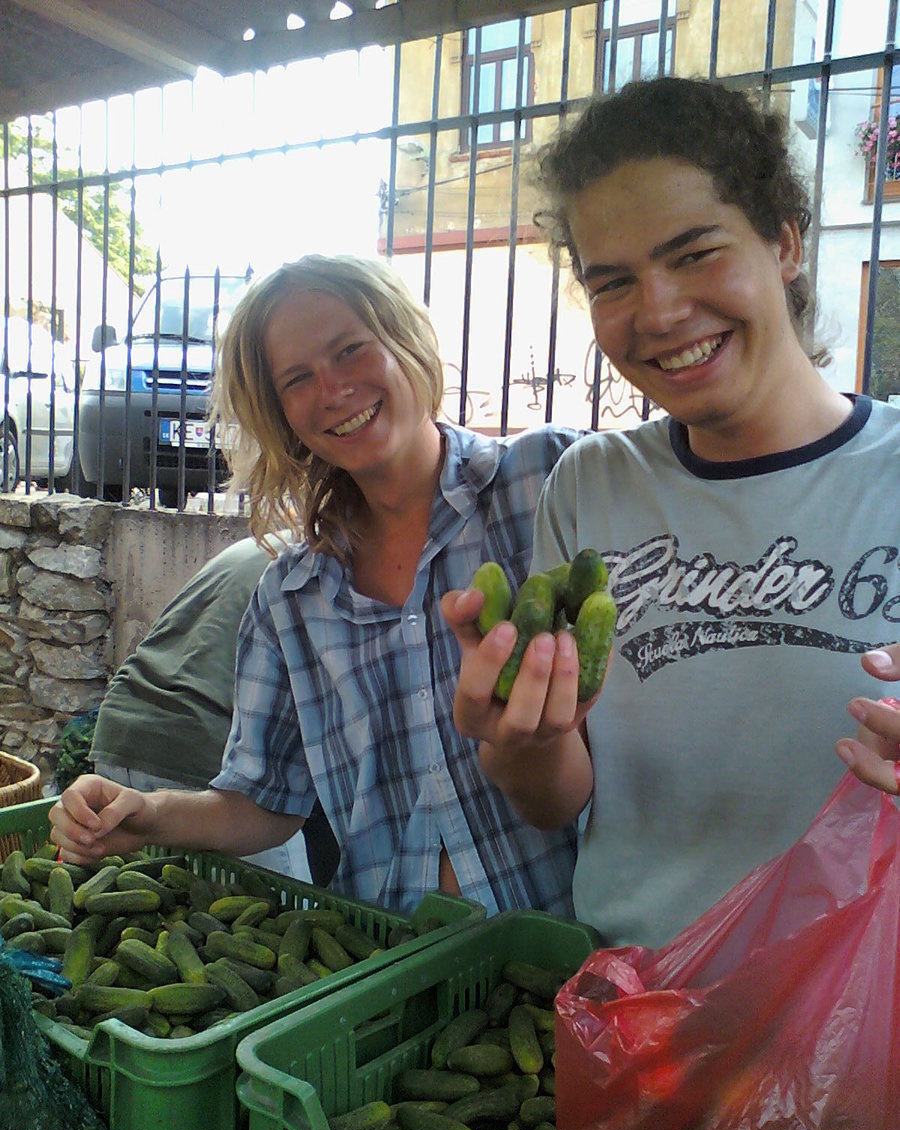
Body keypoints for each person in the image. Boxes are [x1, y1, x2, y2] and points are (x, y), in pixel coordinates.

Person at [441, 75, 900, 948]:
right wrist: (521, 738)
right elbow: (558, 803)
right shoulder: (591, 483)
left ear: (787, 242)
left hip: (861, 1020)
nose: (658, 313)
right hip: (642, 1015)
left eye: (695, 254)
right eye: (612, 282)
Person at [50, 254, 582, 918]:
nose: (332, 391)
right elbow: (263, 802)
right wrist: (148, 815)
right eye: (297, 379)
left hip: (572, 952)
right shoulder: (290, 596)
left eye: (351, 349)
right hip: (385, 965)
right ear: (280, 415)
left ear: (406, 338)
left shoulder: (549, 481)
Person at [86, 534, 318, 881]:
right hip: (202, 744)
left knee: (157, 899)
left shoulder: (263, 545)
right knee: (282, 911)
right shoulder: (311, 573)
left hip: (122, 723)